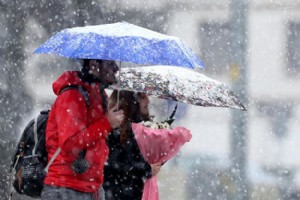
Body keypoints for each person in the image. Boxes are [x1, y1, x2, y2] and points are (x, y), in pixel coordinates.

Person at [41, 59, 124, 200]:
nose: (116, 68)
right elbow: (70, 144)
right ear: (93, 64)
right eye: (110, 63)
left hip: (93, 188)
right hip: (66, 189)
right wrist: (107, 123)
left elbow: (98, 139)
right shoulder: (72, 95)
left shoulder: (99, 94)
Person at [103, 90, 162, 200]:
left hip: (136, 193)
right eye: (143, 97)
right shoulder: (114, 128)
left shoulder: (142, 127)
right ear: (131, 100)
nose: (148, 101)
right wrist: (145, 169)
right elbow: (108, 166)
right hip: (115, 194)